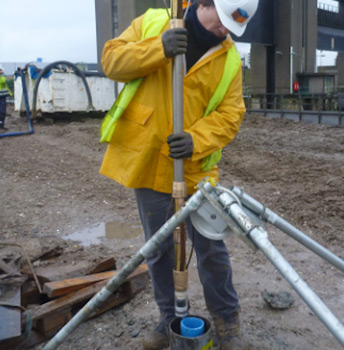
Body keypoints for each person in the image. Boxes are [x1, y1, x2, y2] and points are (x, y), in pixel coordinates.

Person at [100, 0, 259, 349]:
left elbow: (231, 114)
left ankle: (227, 321)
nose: (224, 32)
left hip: (196, 167)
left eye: (232, 28)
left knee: (211, 247)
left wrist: (196, 139)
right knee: (159, 248)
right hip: (150, 161)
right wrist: (158, 49)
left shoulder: (229, 58)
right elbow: (111, 61)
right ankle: (168, 317)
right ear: (204, 3)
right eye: (221, 22)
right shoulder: (155, 23)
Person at [0, 64, 12, 130]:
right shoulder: (2, 78)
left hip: (2, 96)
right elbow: (2, 81)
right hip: (1, 97)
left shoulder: (2, 77)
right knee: (1, 111)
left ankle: (1, 125)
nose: (2, 71)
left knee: (2, 112)